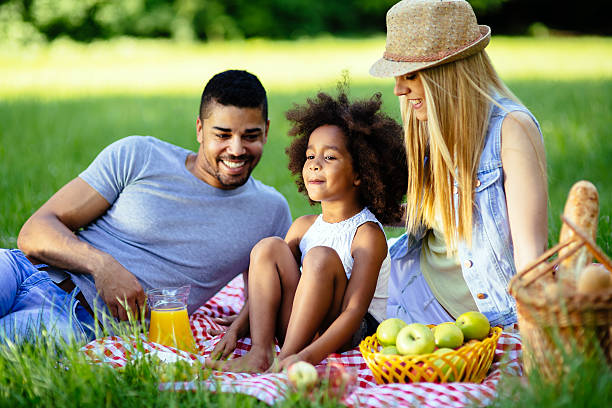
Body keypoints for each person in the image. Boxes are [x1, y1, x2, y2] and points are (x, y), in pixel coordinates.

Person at [0, 70, 292, 345]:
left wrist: (245, 321)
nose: (237, 149)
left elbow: (275, 296)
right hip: (19, 269)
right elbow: (34, 232)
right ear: (200, 129)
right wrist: (102, 266)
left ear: (266, 131)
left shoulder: (271, 212)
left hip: (77, 318)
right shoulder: (138, 155)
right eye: (223, 135)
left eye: (250, 136)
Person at [369, 0, 548, 328]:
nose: (398, 90)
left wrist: (535, 336)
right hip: (414, 290)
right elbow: (443, 220)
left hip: (484, 315)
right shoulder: (429, 125)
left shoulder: (511, 129)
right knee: (310, 262)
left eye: (409, 75)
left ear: (447, 73)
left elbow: (530, 255)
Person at [206, 89, 407, 372]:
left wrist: (305, 357)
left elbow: (353, 312)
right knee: (269, 247)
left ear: (361, 173)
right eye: (311, 155)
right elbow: (266, 283)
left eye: (330, 158)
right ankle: (261, 352)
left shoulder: (367, 234)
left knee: (319, 257)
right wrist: (237, 329)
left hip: (346, 334)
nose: (314, 164)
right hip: (300, 326)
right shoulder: (304, 227)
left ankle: (284, 358)